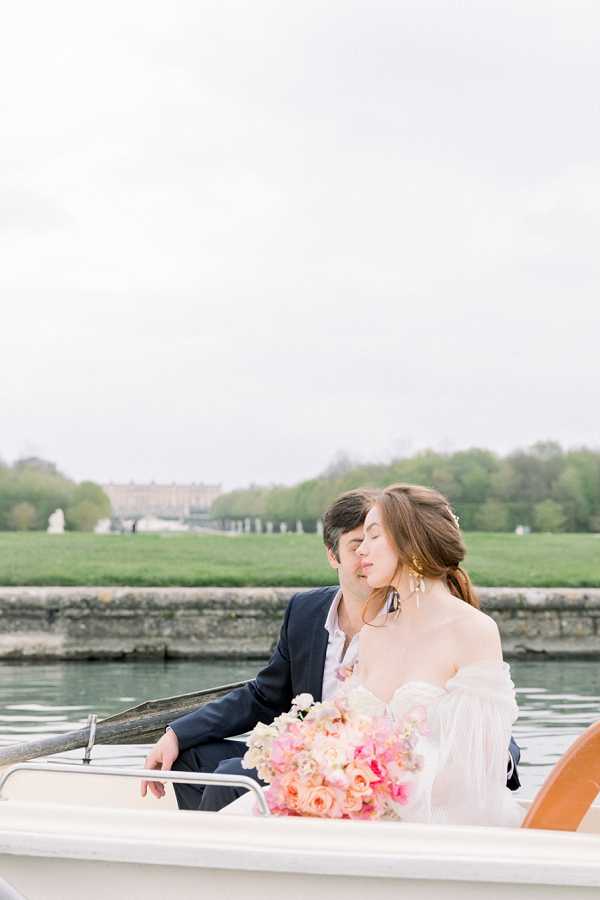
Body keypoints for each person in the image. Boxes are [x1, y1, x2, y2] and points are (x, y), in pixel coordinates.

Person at [224, 483, 523, 826]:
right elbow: (350, 730)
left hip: (437, 823)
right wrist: (325, 772)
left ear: (410, 542)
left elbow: (477, 769)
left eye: (373, 536)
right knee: (241, 814)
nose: (361, 550)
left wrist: (370, 787)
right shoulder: (374, 632)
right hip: (356, 812)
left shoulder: (473, 630)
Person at [141, 488, 376, 810]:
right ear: (332, 555)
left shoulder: (405, 619)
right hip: (301, 757)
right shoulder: (306, 610)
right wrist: (178, 734)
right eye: (357, 546)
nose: (369, 557)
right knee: (191, 760)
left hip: (363, 767)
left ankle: (215, 857)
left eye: (377, 544)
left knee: (232, 777)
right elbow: (264, 697)